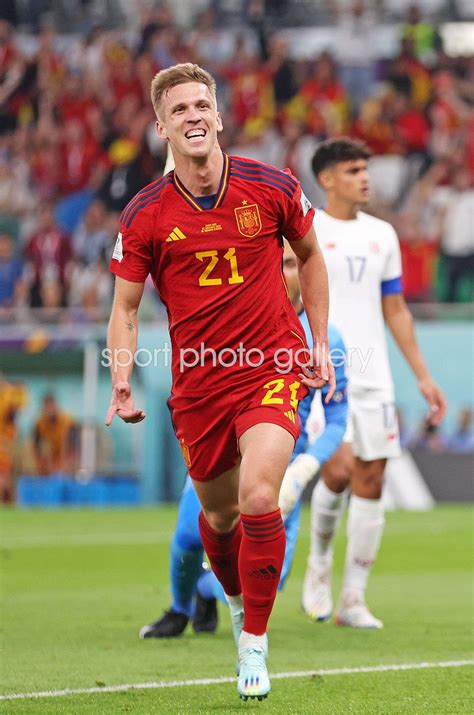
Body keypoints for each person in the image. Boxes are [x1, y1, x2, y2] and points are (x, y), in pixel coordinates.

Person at [105, 63, 334, 702]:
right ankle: (237, 610)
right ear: (161, 127)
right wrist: (120, 380)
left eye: (202, 104)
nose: (194, 116)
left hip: (271, 366)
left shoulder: (271, 186)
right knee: (219, 514)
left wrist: (317, 341)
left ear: (221, 115)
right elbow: (124, 310)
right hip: (201, 385)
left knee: (262, 495)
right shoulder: (145, 213)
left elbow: (312, 256)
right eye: (179, 110)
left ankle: (254, 643)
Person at [140, 242, 348, 638]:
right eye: (277, 263)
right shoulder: (239, 322)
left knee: (268, 573)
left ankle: (207, 592)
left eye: (291, 263)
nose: (285, 273)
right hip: (220, 452)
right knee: (188, 535)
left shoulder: (328, 339)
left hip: (280, 468)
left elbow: (338, 416)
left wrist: (305, 468)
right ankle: (180, 609)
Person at [282, 137, 446, 629]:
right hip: (322, 367)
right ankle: (318, 565)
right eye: (354, 170)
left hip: (374, 375)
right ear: (327, 178)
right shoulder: (306, 227)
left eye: (366, 169)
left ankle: (353, 597)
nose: (365, 178)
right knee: (337, 469)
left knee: (371, 479)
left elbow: (394, 308)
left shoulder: (382, 236)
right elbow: (287, 291)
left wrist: (422, 375)